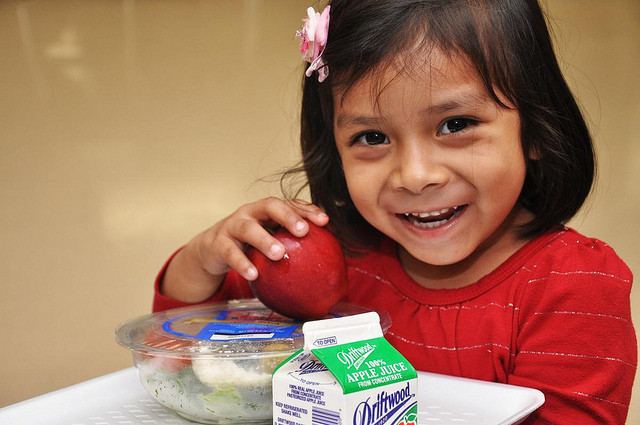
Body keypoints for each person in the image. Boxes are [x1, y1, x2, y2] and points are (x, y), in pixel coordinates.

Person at [152, 0, 637, 423]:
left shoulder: (574, 285)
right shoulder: (338, 260)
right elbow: (183, 350)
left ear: (534, 129)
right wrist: (204, 258)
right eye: (372, 138)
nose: (415, 175)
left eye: (456, 124)